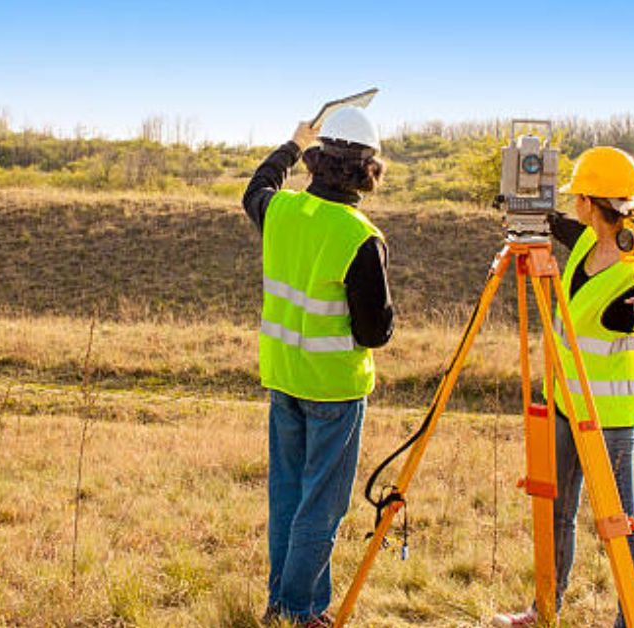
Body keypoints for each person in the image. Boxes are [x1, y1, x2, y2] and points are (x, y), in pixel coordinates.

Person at [492, 147, 634, 628]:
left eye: (575, 196)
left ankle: (632, 621)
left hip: (610, 422)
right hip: (563, 405)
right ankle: (545, 608)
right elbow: (553, 222)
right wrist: (521, 202)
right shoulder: (583, 242)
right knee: (556, 513)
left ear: (587, 201)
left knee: (619, 527)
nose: (571, 205)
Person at [242, 107, 394, 628]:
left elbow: (256, 188)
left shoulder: (280, 211)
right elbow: (374, 332)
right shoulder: (360, 236)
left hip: (284, 378)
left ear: (316, 159)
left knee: (288, 498)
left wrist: (290, 143)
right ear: (367, 170)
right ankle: (299, 611)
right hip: (333, 391)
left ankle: (281, 603)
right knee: (320, 509)